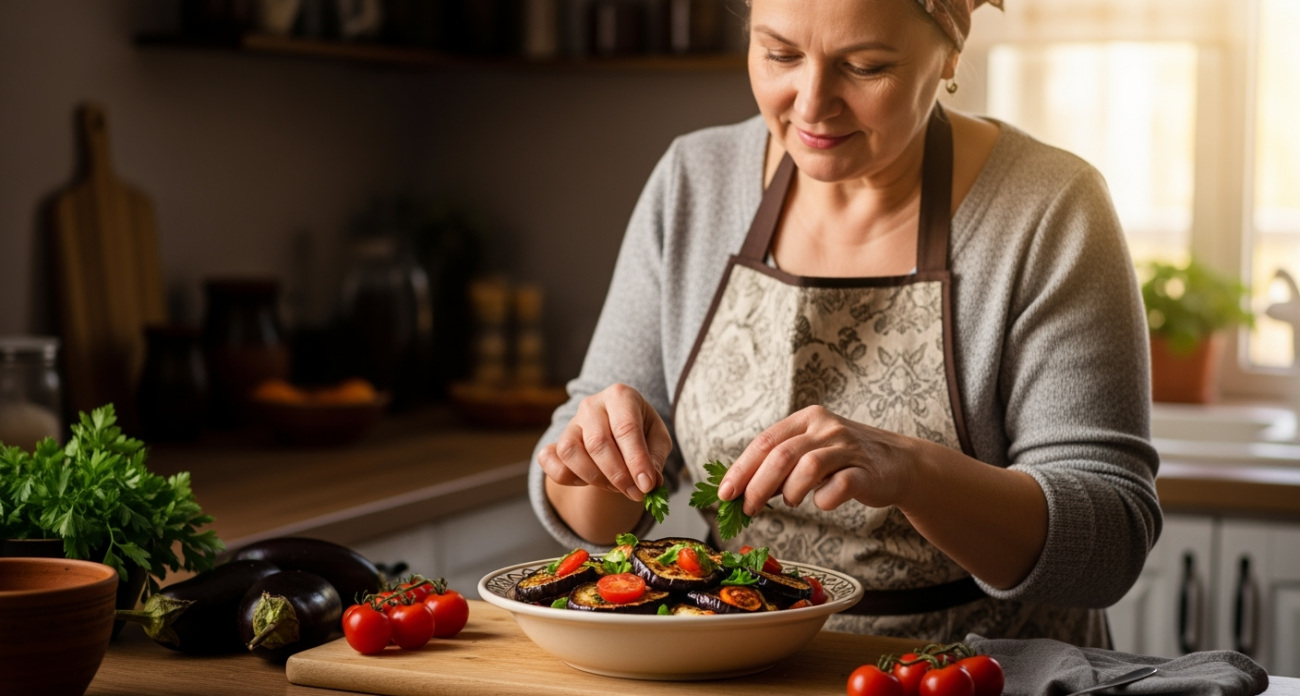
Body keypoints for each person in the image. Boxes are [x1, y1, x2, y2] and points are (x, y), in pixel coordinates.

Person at [528, 0, 1161, 646]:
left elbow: (1109, 540)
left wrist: (915, 472)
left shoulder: (1049, 209)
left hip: (983, 674)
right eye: (779, 54)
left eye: (863, 66)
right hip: (746, 668)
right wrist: (594, 458)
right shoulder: (695, 182)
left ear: (949, 55)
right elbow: (596, 509)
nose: (811, 104)